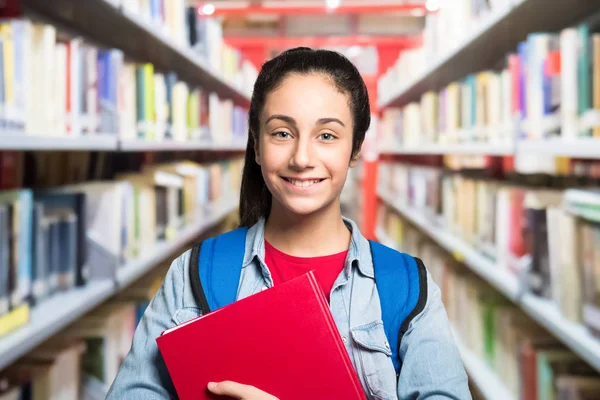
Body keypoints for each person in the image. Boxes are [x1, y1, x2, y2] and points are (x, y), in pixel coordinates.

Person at [106, 47, 471, 400]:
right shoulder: (195, 274)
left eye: (326, 136)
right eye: (282, 133)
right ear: (256, 142)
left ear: (355, 148)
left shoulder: (406, 288)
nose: (301, 158)